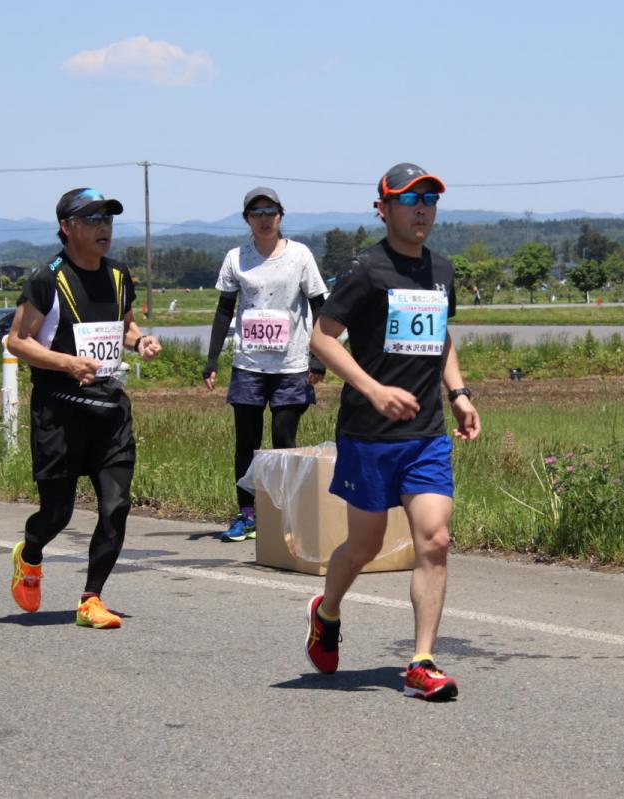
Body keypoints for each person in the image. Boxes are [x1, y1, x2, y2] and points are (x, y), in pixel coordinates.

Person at [305, 162, 481, 701]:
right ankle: (327, 611)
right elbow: (322, 337)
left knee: (436, 539)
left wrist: (459, 393)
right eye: (410, 199)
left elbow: (441, 337)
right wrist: (373, 388)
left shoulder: (441, 270)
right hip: (369, 434)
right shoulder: (366, 270)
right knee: (365, 544)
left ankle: (422, 661)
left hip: (426, 433)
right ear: (383, 209)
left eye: (430, 198)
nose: (422, 208)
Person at [6, 187, 161, 630]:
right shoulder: (47, 278)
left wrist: (141, 340)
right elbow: (18, 341)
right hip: (60, 413)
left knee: (117, 505)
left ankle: (91, 599)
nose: (103, 228)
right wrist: (67, 363)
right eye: (92, 220)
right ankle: (30, 552)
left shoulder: (117, 274)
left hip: (110, 411)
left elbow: (124, 327)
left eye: (108, 220)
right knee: (58, 513)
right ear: (66, 227)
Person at [203, 187, 328, 541]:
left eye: (270, 211)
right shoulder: (236, 258)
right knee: (247, 443)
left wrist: (319, 358)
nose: (264, 218)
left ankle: (285, 514)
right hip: (248, 365)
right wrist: (212, 360)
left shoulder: (300, 256)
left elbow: (320, 305)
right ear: (247, 219)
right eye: (256, 213)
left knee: (284, 441)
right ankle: (247, 514)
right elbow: (224, 308)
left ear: (281, 215)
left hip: (292, 364)